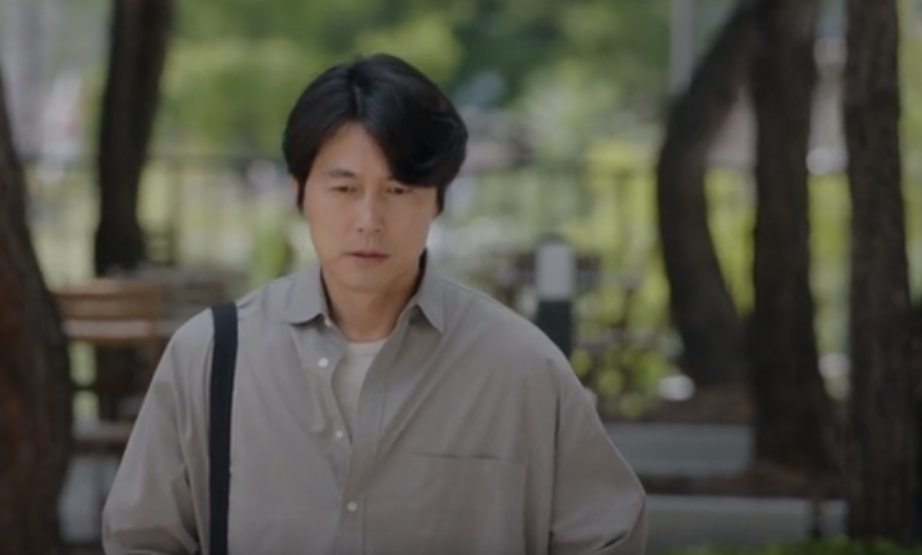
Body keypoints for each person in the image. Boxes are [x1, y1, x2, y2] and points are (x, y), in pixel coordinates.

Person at [102, 53, 647, 555]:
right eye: (344, 189)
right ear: (299, 193)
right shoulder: (212, 356)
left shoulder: (521, 367)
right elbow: (142, 540)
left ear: (439, 199)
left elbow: (607, 538)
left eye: (398, 190)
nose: (369, 220)